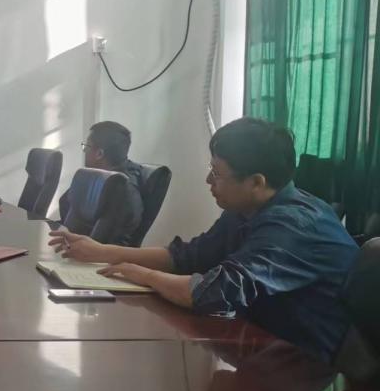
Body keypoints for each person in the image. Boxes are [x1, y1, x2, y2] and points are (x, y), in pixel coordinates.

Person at [50, 117, 358, 363]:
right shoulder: (246, 209)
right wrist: (102, 251)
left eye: (217, 173)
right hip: (260, 343)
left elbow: (212, 292)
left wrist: (141, 274)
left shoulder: (292, 227)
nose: (208, 181)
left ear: (256, 182)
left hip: (307, 366)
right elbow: (188, 256)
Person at [58, 121, 144, 245]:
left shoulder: (121, 189)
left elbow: (101, 245)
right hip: (73, 246)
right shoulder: (94, 178)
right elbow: (67, 205)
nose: (84, 151)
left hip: (91, 254)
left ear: (99, 154)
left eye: (86, 146)